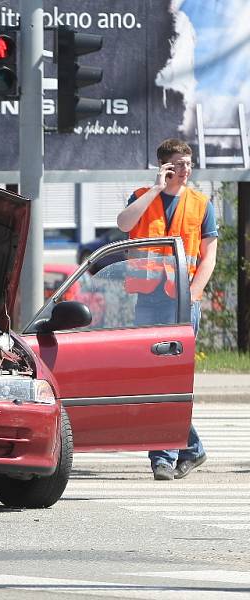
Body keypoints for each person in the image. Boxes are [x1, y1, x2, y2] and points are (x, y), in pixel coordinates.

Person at [116, 138, 218, 481]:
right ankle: (192, 448)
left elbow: (209, 258)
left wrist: (193, 294)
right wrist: (156, 189)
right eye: (179, 164)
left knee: (172, 380)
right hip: (149, 298)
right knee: (148, 381)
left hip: (185, 301)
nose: (186, 170)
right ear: (164, 166)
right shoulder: (142, 195)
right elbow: (124, 224)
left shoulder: (202, 204)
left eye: (189, 163)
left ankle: (163, 456)